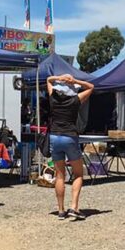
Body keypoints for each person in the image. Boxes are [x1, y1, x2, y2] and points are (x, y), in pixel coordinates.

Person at [46, 73, 94, 221]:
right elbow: (91, 87)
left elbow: (48, 80)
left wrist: (59, 78)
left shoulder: (53, 97)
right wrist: (74, 80)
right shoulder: (75, 100)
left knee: (59, 175)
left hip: (55, 136)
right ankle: (74, 207)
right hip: (70, 136)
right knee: (78, 174)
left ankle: (61, 210)